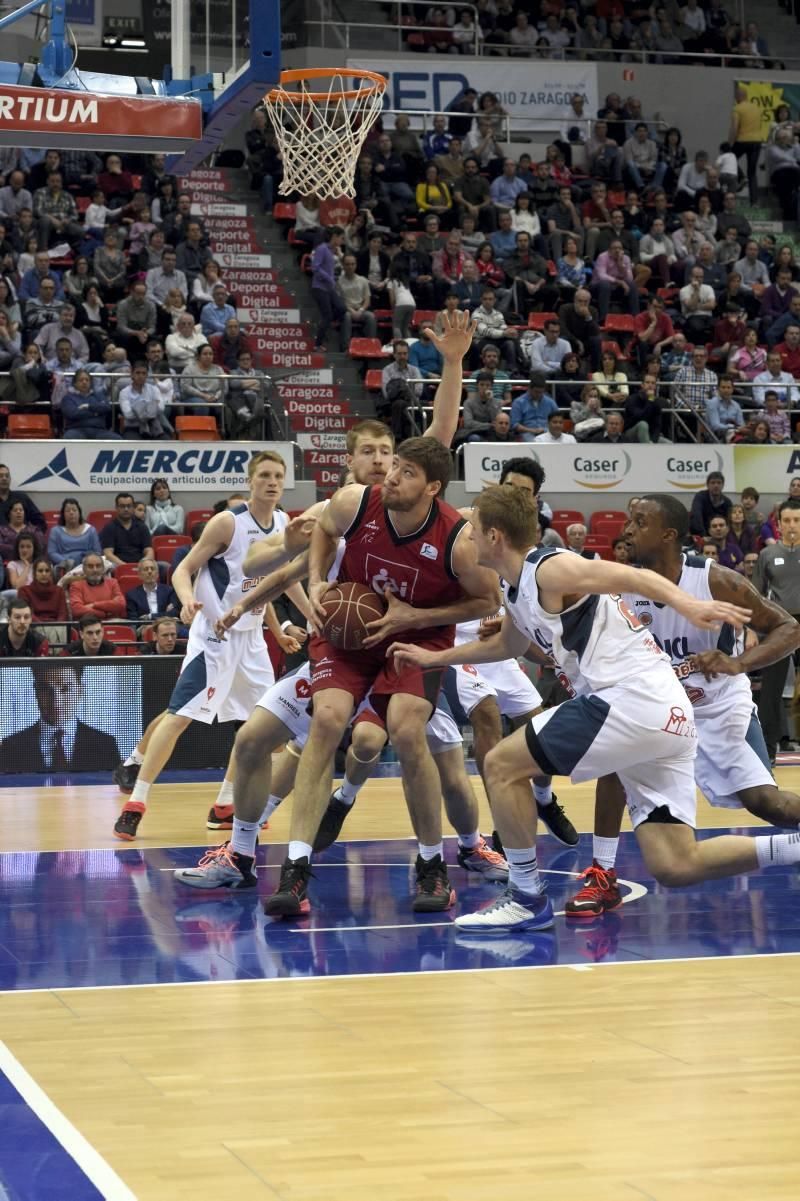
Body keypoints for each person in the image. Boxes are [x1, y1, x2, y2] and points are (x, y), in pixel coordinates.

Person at [389, 485, 800, 934]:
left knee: (501, 764)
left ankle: (526, 896)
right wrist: (433, 658)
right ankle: (792, 849)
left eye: (468, 531)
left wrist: (688, 604)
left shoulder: (548, 567)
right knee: (676, 863)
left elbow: (630, 578)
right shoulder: (514, 588)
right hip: (666, 713)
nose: (460, 539)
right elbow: (508, 644)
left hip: (633, 697)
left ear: (494, 536)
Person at [254, 316, 501, 917]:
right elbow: (321, 535)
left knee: (411, 733)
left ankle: (431, 862)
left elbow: (487, 602)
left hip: (415, 638)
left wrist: (412, 614)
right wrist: (316, 580)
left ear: (432, 488)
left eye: (402, 471)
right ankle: (296, 867)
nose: (389, 476)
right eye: (386, 467)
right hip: (349, 634)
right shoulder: (353, 500)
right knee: (327, 722)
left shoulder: (458, 538)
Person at [565, 493, 800, 917]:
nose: (628, 530)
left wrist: (737, 662)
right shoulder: (618, 588)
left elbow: (788, 627)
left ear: (668, 535)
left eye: (639, 522)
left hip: (716, 708)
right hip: (658, 712)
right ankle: (602, 874)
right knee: (615, 762)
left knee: (770, 804)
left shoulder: (714, 580)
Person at [112, 452, 307, 841]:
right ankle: (136, 801)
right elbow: (184, 570)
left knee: (258, 727)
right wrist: (186, 601)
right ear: (251, 481)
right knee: (180, 715)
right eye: (264, 475)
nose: (271, 481)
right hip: (215, 634)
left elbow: (278, 582)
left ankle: (224, 804)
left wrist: (306, 617)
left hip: (251, 638)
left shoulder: (285, 523)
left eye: (278, 476)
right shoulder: (228, 523)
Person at [0, 659, 120, 772]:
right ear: (36, 691)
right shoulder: (10, 748)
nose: (56, 701)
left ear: (80, 690)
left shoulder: (106, 745)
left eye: (66, 689)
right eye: (46, 689)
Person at [753, 499, 800, 763]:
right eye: (788, 521)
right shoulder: (767, 555)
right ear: (779, 525)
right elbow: (755, 595)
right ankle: (767, 752)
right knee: (771, 691)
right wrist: (753, 631)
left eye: (797, 520)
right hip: (780, 626)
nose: (792, 526)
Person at [67, 552, 126, 620]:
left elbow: (121, 604)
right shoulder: (76, 585)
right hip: (88, 625)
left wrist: (94, 605)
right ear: (84, 569)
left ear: (103, 568)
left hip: (112, 624)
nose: (95, 570)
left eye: (98, 566)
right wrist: (103, 614)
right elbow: (76, 610)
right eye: (90, 566)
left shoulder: (113, 582)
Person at [47, 498, 101, 572]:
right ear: (63, 514)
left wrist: (87, 562)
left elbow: (97, 552)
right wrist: (65, 561)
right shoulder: (56, 531)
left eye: (74, 510)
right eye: (68, 511)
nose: (71, 513)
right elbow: (52, 553)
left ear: (79, 513)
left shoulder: (91, 530)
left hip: (89, 566)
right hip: (65, 567)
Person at [100, 494, 154, 567]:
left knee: (163, 566)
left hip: (141, 565)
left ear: (133, 508)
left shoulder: (142, 527)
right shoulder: (109, 527)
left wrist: (143, 563)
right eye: (122, 506)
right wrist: (125, 566)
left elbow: (149, 551)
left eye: (129, 506)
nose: (126, 509)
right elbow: (108, 554)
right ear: (116, 508)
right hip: (117, 565)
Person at [125, 558, 179, 622]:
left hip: (166, 625)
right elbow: (133, 620)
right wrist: (164, 614)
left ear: (158, 574)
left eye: (152, 569)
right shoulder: (132, 595)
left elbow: (174, 613)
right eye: (146, 569)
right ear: (139, 575)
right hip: (144, 627)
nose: (149, 571)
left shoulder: (169, 591)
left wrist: (149, 616)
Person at [510, 373, 557, 442]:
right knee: (533, 442)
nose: (539, 395)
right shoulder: (518, 402)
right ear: (529, 388)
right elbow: (514, 424)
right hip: (526, 433)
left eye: (541, 392)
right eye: (536, 392)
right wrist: (531, 430)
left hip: (547, 432)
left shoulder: (551, 402)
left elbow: (558, 420)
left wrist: (545, 430)